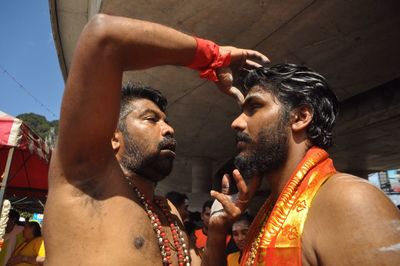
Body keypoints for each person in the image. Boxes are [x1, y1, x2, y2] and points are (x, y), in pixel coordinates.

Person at [44, 13, 268, 265]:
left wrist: (217, 232)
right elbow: (102, 35)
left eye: (167, 121)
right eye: (151, 119)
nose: (168, 129)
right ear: (113, 139)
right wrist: (212, 57)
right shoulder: (86, 181)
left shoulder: (168, 212)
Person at [211, 63, 400, 265]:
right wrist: (217, 232)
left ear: (301, 117)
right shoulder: (268, 211)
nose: (236, 123)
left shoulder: (352, 201)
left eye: (254, 107)